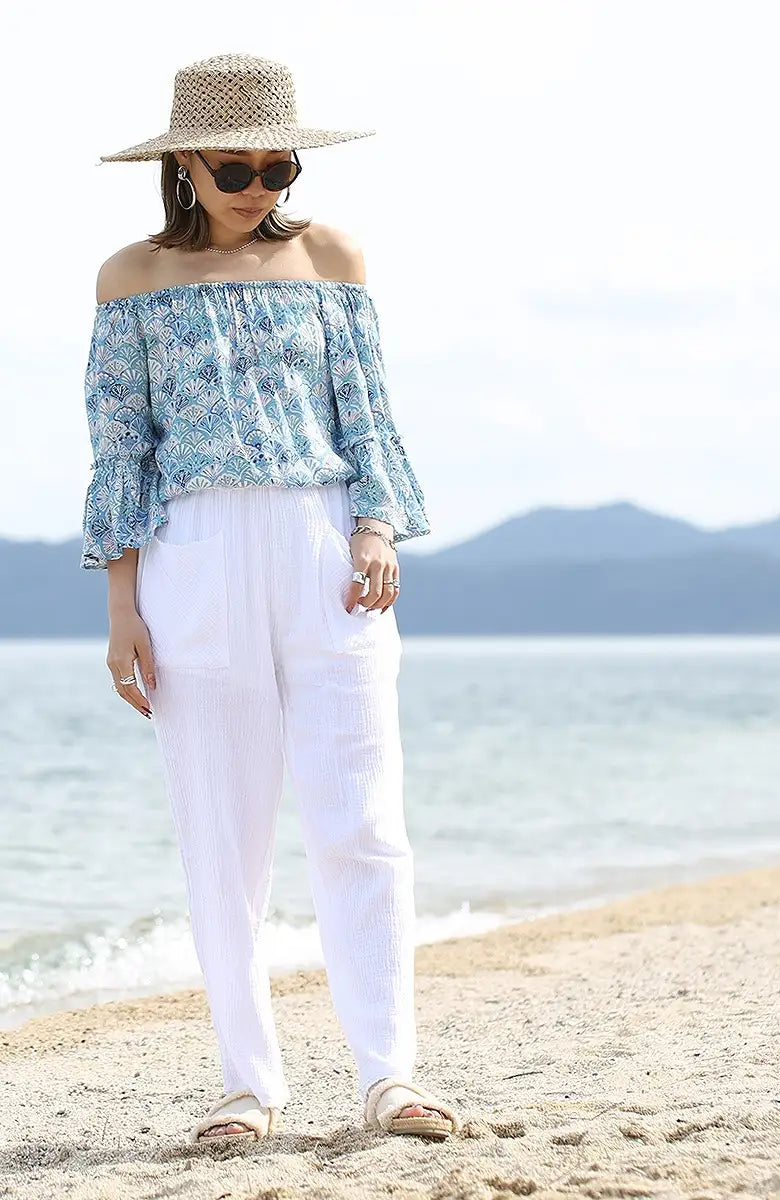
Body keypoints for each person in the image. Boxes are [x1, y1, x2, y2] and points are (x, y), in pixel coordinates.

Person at [80, 51, 461, 1146]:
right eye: (235, 167)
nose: (259, 187)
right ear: (186, 164)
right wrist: (122, 609)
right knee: (220, 834)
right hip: (191, 555)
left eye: (278, 165)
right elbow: (121, 452)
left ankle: (389, 1075)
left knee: (364, 820)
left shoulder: (330, 255)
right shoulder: (130, 277)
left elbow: (368, 415)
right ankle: (248, 1084)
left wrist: (377, 525)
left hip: (323, 544)